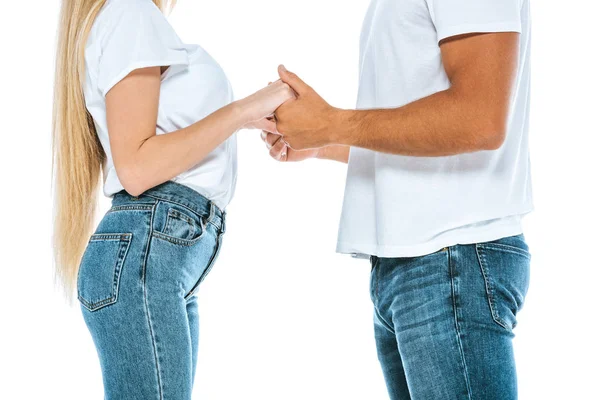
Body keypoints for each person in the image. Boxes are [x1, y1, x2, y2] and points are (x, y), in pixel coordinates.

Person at [263, 0, 532, 398]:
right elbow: (431, 132)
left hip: (450, 257)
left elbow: (479, 119)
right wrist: (324, 141)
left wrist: (333, 123)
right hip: (413, 267)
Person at [51, 0, 293, 398]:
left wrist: (247, 117)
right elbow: (137, 168)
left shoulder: (131, 18)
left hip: (159, 255)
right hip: (149, 253)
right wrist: (241, 110)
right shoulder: (130, 12)